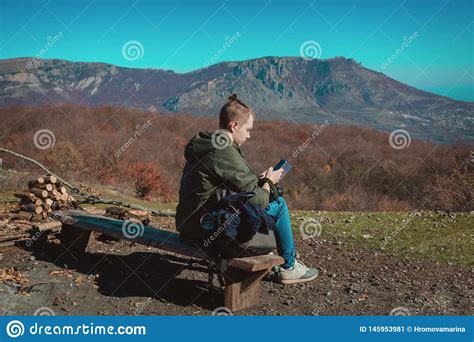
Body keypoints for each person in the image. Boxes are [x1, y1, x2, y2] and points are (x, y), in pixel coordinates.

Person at [175, 94, 318, 284]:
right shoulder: (222, 151)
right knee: (280, 204)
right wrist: (269, 182)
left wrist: (258, 183)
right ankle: (289, 267)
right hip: (205, 228)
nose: (249, 135)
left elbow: (228, 186)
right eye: (248, 129)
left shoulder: (208, 144)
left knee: (261, 205)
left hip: (188, 222)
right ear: (234, 126)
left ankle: (285, 263)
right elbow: (258, 200)